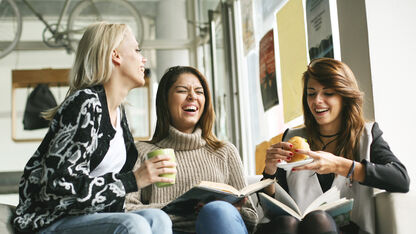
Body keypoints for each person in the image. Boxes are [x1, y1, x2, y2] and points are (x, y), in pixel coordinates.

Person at [12, 22, 174, 234]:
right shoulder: (86, 104)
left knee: (157, 219)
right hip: (50, 221)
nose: (143, 59)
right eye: (137, 50)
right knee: (133, 225)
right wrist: (133, 180)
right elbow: (57, 189)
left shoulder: (119, 113)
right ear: (115, 55)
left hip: (91, 218)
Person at [260, 58, 410, 234]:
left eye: (328, 93)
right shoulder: (292, 138)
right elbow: (273, 207)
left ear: (344, 96)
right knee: (285, 224)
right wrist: (269, 171)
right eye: (311, 93)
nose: (317, 101)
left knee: (318, 219)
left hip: (348, 229)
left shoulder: (366, 135)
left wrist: (341, 166)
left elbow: (400, 179)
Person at [125, 66, 258, 234]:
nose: (192, 96)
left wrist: (232, 210)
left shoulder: (225, 151)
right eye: (182, 91)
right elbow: (126, 209)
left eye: (199, 92)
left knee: (217, 211)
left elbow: (252, 218)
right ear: (165, 101)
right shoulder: (142, 152)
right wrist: (180, 209)